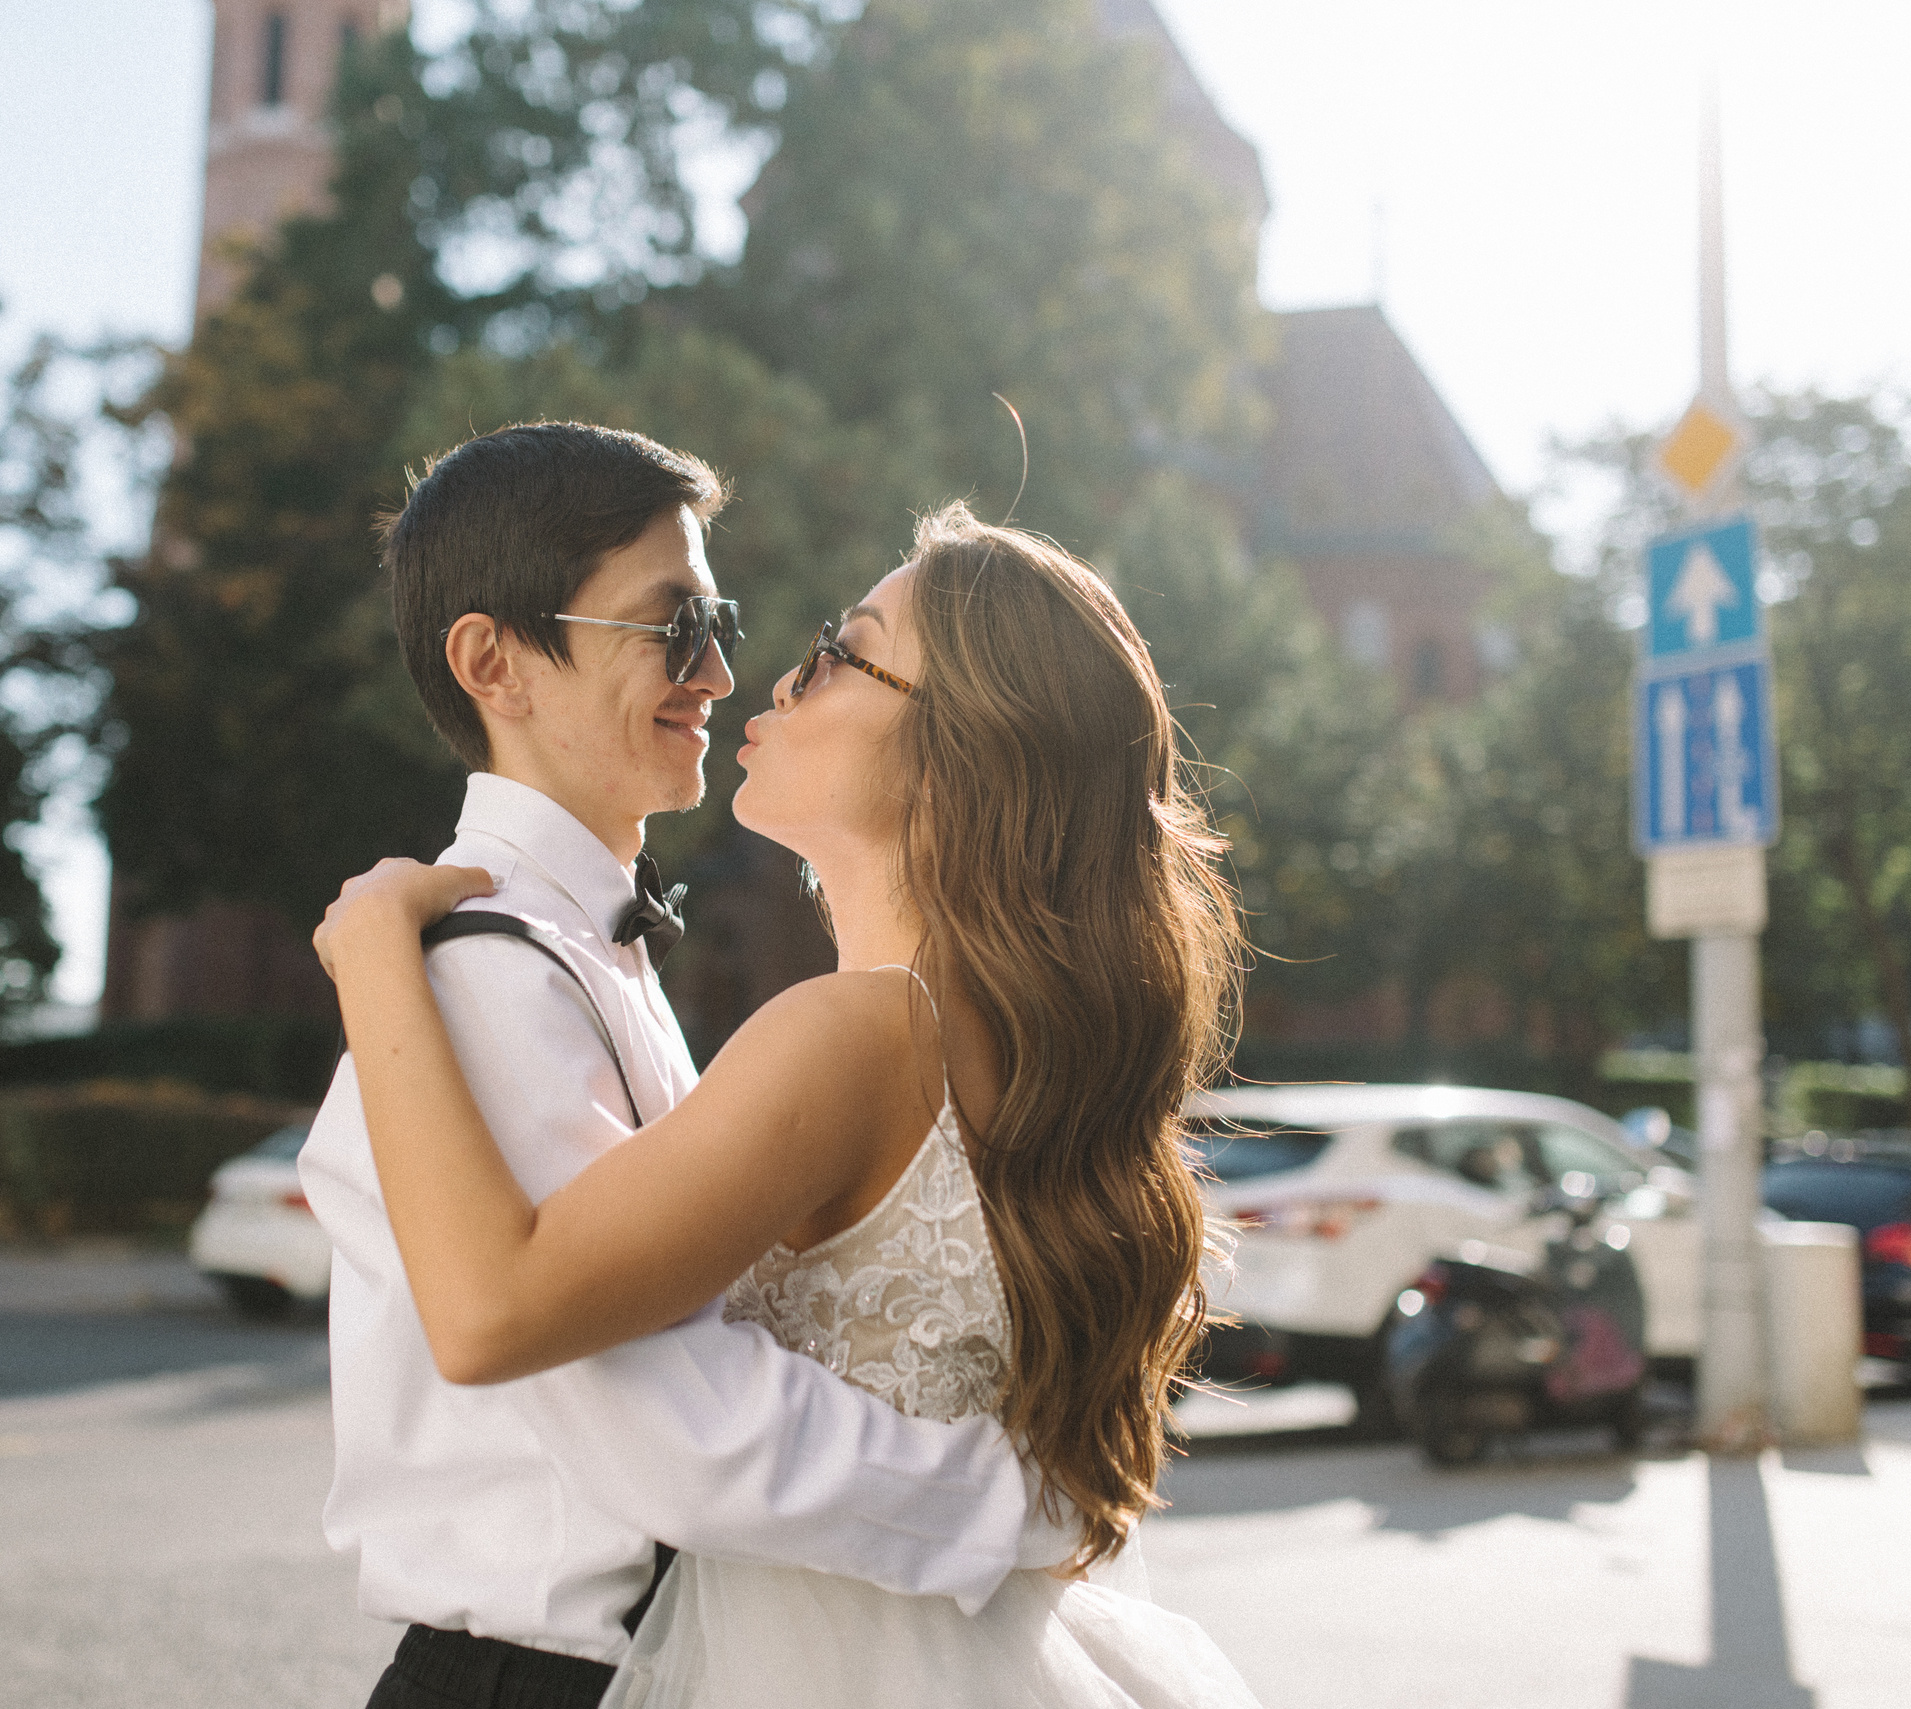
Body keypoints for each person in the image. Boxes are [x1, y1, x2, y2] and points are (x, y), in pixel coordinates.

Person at [315, 500, 1264, 1707]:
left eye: (835, 651)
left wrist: (373, 944)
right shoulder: (1010, 1047)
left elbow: (500, 1310)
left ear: (956, 745)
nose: (759, 674)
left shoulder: (858, 1030)